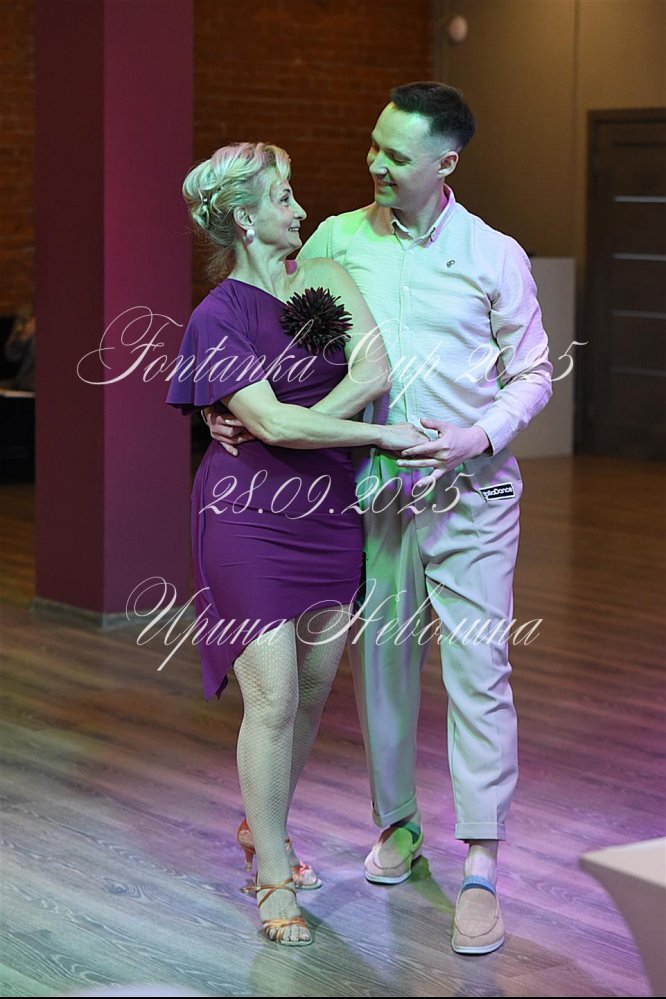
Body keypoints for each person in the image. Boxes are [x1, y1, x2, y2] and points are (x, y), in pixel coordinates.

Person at [207, 83, 553, 955]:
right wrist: (223, 406)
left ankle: (481, 863)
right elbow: (262, 325)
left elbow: (534, 373)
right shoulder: (335, 241)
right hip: (369, 493)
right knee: (384, 672)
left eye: (396, 154)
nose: (375, 163)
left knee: (479, 671)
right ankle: (397, 825)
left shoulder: (494, 254)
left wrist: (478, 434)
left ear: (446, 162)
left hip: (473, 494)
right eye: (374, 145)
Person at [166, 141, 425, 947]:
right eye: (283, 196)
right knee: (273, 696)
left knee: (311, 692)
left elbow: (371, 371)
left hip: (326, 511)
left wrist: (297, 423)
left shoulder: (324, 278)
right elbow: (272, 425)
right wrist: (363, 433)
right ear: (245, 218)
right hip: (245, 512)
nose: (300, 208)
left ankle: (261, 826)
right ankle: (273, 871)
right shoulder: (217, 317)